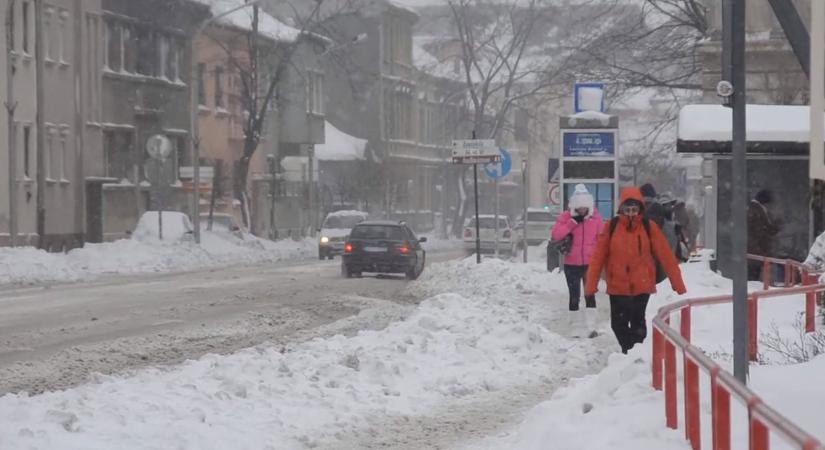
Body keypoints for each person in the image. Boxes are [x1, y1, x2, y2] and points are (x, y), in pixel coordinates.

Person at [585, 187, 687, 354]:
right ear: (621, 209)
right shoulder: (611, 227)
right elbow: (598, 257)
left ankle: (633, 354)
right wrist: (591, 285)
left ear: (640, 209)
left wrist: (678, 284)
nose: (631, 213)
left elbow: (666, 255)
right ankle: (630, 351)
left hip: (642, 285)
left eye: (634, 209)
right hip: (618, 285)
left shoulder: (649, 227)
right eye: (627, 209)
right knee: (617, 325)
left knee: (637, 322)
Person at [551, 184, 603, 320]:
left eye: (584, 207)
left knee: (590, 295)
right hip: (571, 264)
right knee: (574, 297)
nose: (582, 210)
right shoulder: (566, 217)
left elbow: (601, 239)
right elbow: (556, 234)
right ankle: (575, 327)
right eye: (579, 207)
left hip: (590, 264)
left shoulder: (595, 218)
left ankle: (591, 326)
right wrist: (572, 222)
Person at [747, 189, 781, 281]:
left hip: (757, 250)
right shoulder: (755, 210)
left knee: (754, 276)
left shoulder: (755, 209)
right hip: (756, 250)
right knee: (753, 277)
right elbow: (760, 231)